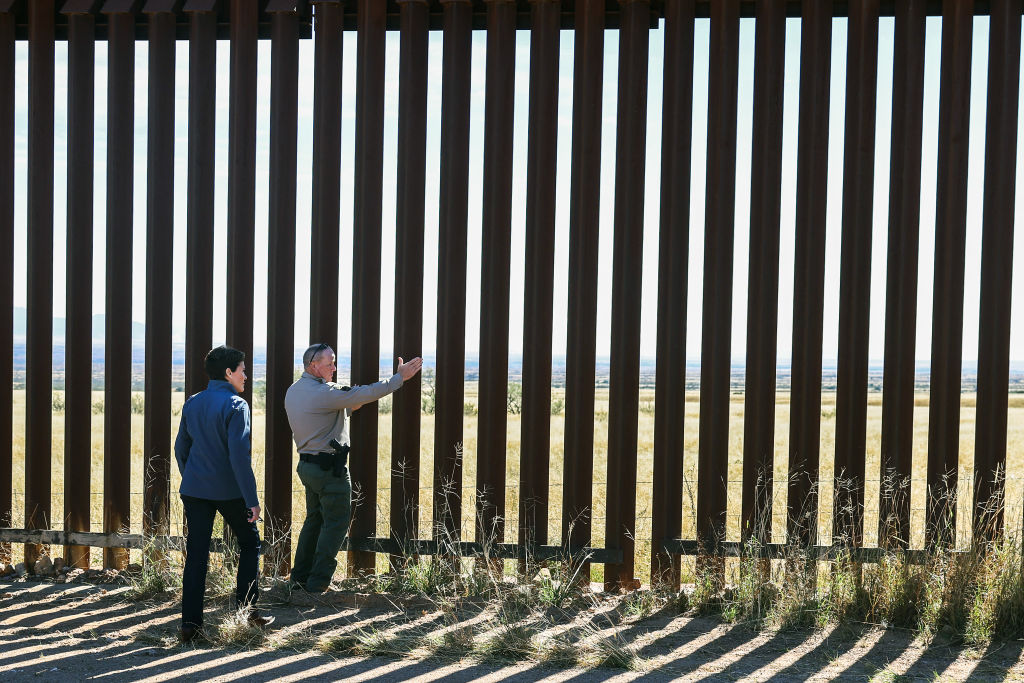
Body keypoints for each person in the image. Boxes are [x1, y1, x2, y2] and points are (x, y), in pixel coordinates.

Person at [285, 343, 423, 592]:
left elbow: (341, 406)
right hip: (330, 470)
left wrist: (351, 399)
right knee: (335, 524)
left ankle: (299, 578)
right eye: (329, 364)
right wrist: (398, 379)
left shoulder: (295, 391)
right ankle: (318, 584)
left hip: (309, 467)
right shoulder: (324, 393)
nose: (334, 368)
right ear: (313, 365)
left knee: (314, 521)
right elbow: (356, 395)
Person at [174, 345, 274, 642]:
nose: (246, 375)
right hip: (229, 491)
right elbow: (239, 458)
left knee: (196, 555)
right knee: (249, 542)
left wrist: (193, 477)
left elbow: (181, 448)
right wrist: (252, 501)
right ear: (229, 373)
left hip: (194, 490)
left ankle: (190, 626)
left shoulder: (193, 402)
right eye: (243, 370)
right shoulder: (236, 405)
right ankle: (248, 614)